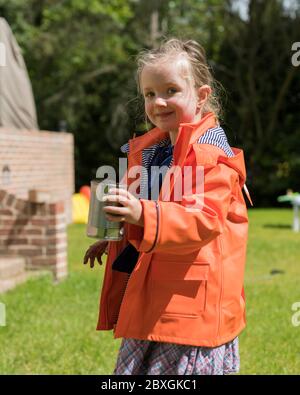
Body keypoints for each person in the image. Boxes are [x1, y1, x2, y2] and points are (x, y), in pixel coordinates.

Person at [83, 38, 251, 375]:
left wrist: (141, 213)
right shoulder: (155, 152)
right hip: (157, 301)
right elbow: (155, 215)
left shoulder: (212, 157)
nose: (158, 101)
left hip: (191, 310)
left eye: (171, 90)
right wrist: (118, 234)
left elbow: (202, 219)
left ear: (201, 96)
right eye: (149, 93)